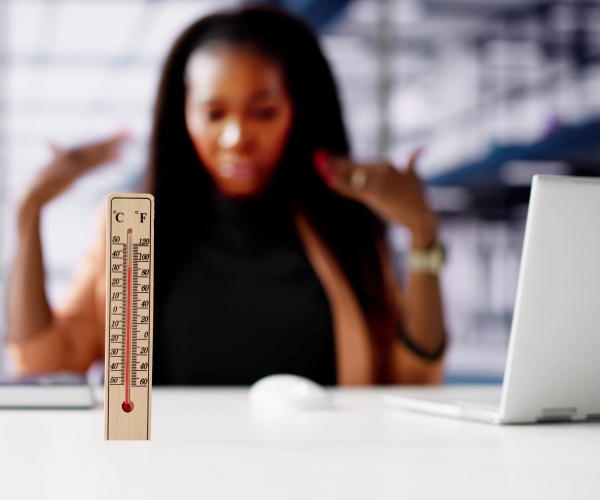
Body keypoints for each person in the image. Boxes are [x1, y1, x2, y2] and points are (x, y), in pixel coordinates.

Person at [5, 5, 446, 385]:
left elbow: (412, 380)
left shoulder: (346, 223)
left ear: (296, 110)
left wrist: (423, 234)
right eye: (214, 113)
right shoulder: (133, 230)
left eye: (263, 112)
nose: (237, 138)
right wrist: (28, 213)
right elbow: (45, 363)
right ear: (183, 117)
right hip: (170, 478)